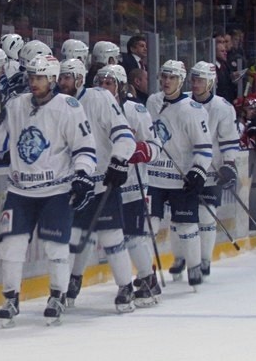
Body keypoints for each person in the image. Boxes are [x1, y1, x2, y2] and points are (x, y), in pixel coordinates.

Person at [0, 55, 97, 327]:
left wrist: (83, 174)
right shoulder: (16, 105)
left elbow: (85, 147)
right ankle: (10, 298)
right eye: (31, 77)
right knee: (10, 245)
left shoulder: (68, 107)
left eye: (40, 77)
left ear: (52, 79)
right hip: (19, 191)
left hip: (56, 191)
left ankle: (57, 296)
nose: (34, 82)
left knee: (56, 247)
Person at [57, 58, 137, 313]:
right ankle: (64, 286)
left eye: (67, 77)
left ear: (80, 79)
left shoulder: (100, 98)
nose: (61, 82)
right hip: (72, 184)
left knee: (111, 236)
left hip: (101, 182)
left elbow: (124, 135)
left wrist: (119, 161)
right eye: (60, 77)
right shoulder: (55, 103)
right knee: (71, 237)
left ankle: (125, 286)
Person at [96, 64, 163, 305]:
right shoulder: (91, 107)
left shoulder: (136, 110)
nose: (103, 87)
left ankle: (147, 278)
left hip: (133, 185)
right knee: (110, 238)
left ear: (121, 86)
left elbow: (155, 146)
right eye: (100, 83)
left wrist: (140, 151)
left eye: (109, 83)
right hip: (105, 185)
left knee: (133, 237)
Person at [146, 60, 213, 287]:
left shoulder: (193, 109)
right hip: (153, 177)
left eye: (172, 77)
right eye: (164, 77)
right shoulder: (152, 101)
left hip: (180, 179)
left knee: (185, 225)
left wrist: (198, 171)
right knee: (148, 225)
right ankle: (146, 273)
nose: (166, 81)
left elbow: (204, 146)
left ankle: (194, 266)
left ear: (181, 80)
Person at [187, 61, 241, 279]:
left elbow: (229, 139)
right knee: (184, 219)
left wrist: (229, 163)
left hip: (211, 170)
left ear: (210, 82)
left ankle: (205, 260)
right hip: (187, 169)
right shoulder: (183, 102)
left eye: (200, 80)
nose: (195, 84)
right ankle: (184, 259)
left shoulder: (222, 107)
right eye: (193, 79)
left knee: (206, 214)